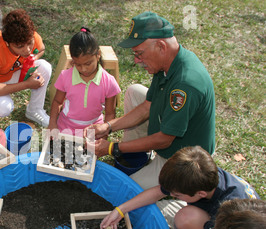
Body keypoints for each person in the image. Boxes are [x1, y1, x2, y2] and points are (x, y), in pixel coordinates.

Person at [85, 11, 215, 190]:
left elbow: (164, 140)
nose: (137, 61)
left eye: (139, 53)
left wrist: (112, 148)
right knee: (134, 92)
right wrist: (107, 127)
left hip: (182, 158)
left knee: (122, 191)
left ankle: (173, 195)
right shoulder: (167, 62)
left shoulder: (185, 84)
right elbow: (147, 107)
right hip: (169, 135)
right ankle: (135, 154)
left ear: (161, 46)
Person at [101, 146, 260, 229]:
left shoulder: (225, 216)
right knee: (185, 215)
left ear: (201, 194)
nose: (173, 196)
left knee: (185, 218)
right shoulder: (201, 174)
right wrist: (120, 210)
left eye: (177, 196)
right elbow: (157, 192)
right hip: (232, 219)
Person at [0, 9, 52, 127]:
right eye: (19, 47)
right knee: (4, 108)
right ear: (7, 42)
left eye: (30, 43)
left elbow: (42, 49)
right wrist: (27, 84)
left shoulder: (28, 34)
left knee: (45, 67)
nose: (28, 50)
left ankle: (34, 110)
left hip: (10, 72)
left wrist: (32, 59)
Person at [48, 27, 120, 137]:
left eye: (88, 63)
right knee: (60, 153)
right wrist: (52, 124)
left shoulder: (109, 82)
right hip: (66, 127)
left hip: (94, 130)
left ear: (98, 55)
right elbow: (58, 102)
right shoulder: (65, 76)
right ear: (73, 60)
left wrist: (103, 136)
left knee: (88, 154)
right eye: (78, 64)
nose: (83, 69)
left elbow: (110, 113)